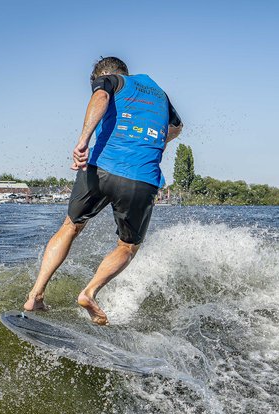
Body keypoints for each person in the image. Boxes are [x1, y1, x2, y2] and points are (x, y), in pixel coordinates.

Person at [23, 57, 183, 324]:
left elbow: (100, 98)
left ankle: (35, 296)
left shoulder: (111, 80)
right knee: (128, 246)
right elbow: (177, 127)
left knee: (70, 226)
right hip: (142, 178)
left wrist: (82, 141)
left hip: (100, 168)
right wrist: (155, 142)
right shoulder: (162, 95)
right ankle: (89, 292)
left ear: (104, 75)